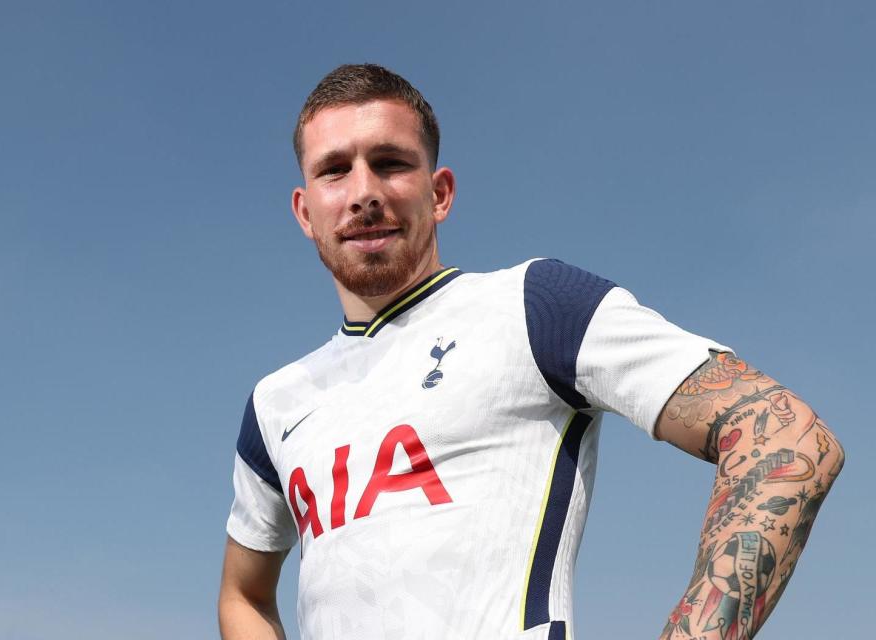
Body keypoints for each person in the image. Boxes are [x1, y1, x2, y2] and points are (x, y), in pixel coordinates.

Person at [217, 64, 843, 640]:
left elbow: (787, 440)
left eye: (390, 162)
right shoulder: (276, 402)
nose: (363, 192)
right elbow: (242, 595)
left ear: (440, 193)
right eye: (334, 170)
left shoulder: (535, 305)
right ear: (305, 210)